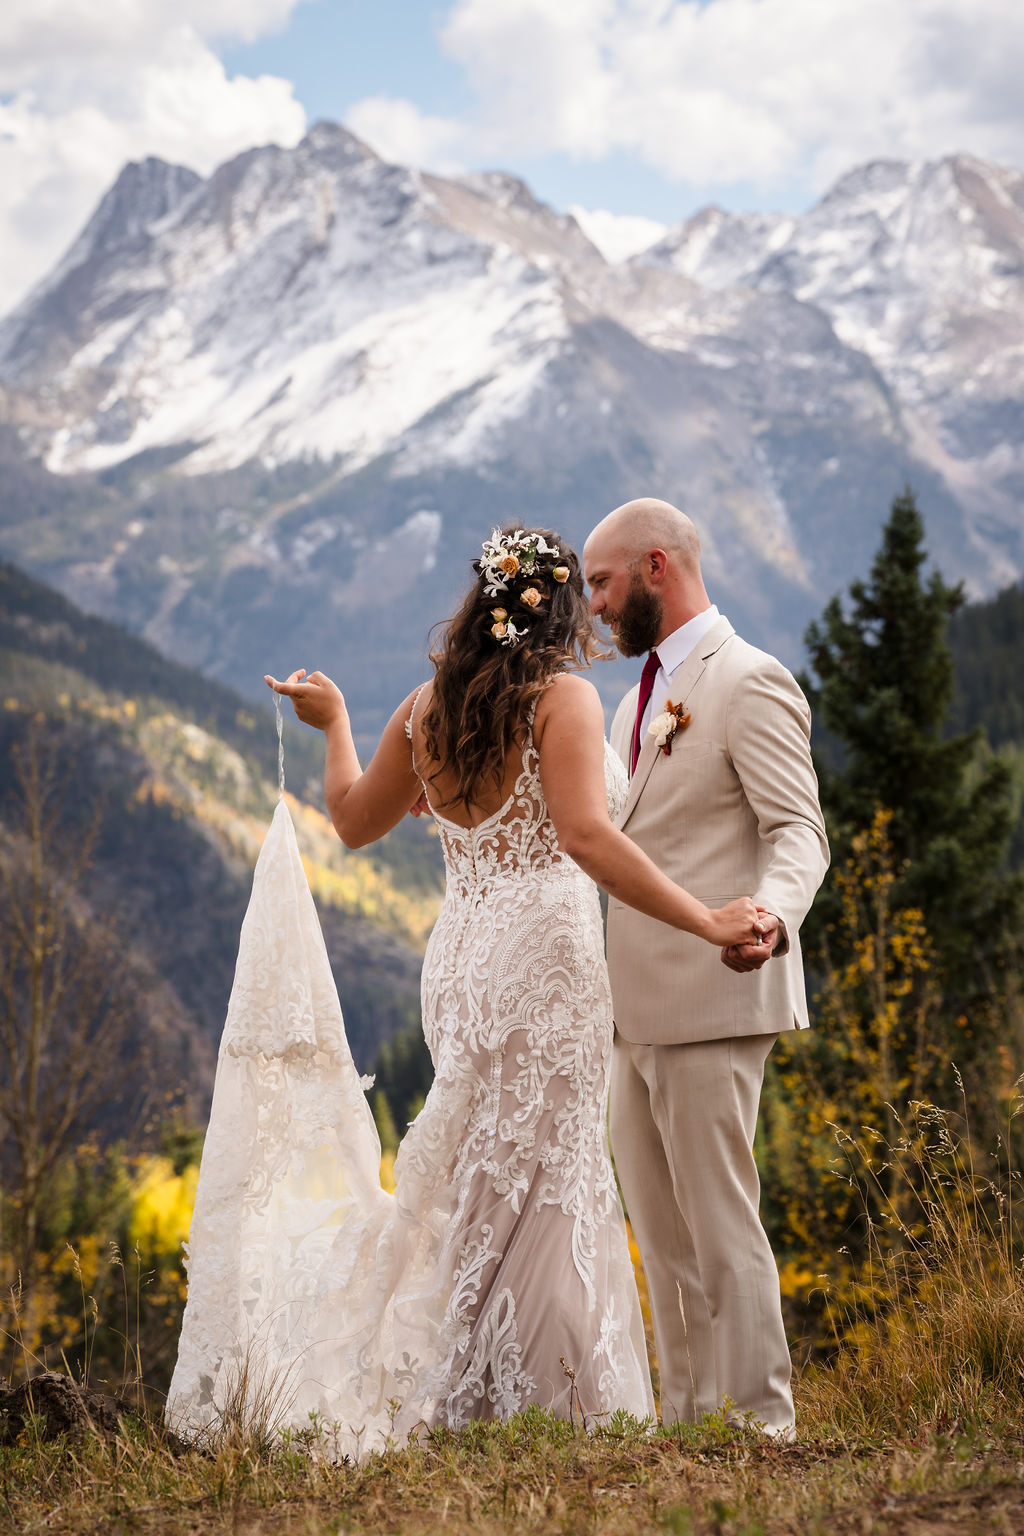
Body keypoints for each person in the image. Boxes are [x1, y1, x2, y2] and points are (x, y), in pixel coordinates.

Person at [167, 526, 766, 1457]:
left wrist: (334, 730)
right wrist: (709, 920)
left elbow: (352, 821)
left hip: (459, 957)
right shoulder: (562, 696)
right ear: (561, 608)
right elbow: (586, 838)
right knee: (550, 1178)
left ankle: (469, 1396)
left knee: (483, 1176)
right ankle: (553, 1401)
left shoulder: (427, 708)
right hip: (545, 958)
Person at [583, 498, 829, 1438]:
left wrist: (771, 913)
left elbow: (796, 830)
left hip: (715, 996)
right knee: (662, 1237)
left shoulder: (750, 680)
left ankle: (762, 1423)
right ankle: (690, 1424)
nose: (594, 605)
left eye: (603, 583)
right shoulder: (629, 700)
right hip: (629, 1010)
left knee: (722, 1228)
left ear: (655, 567)